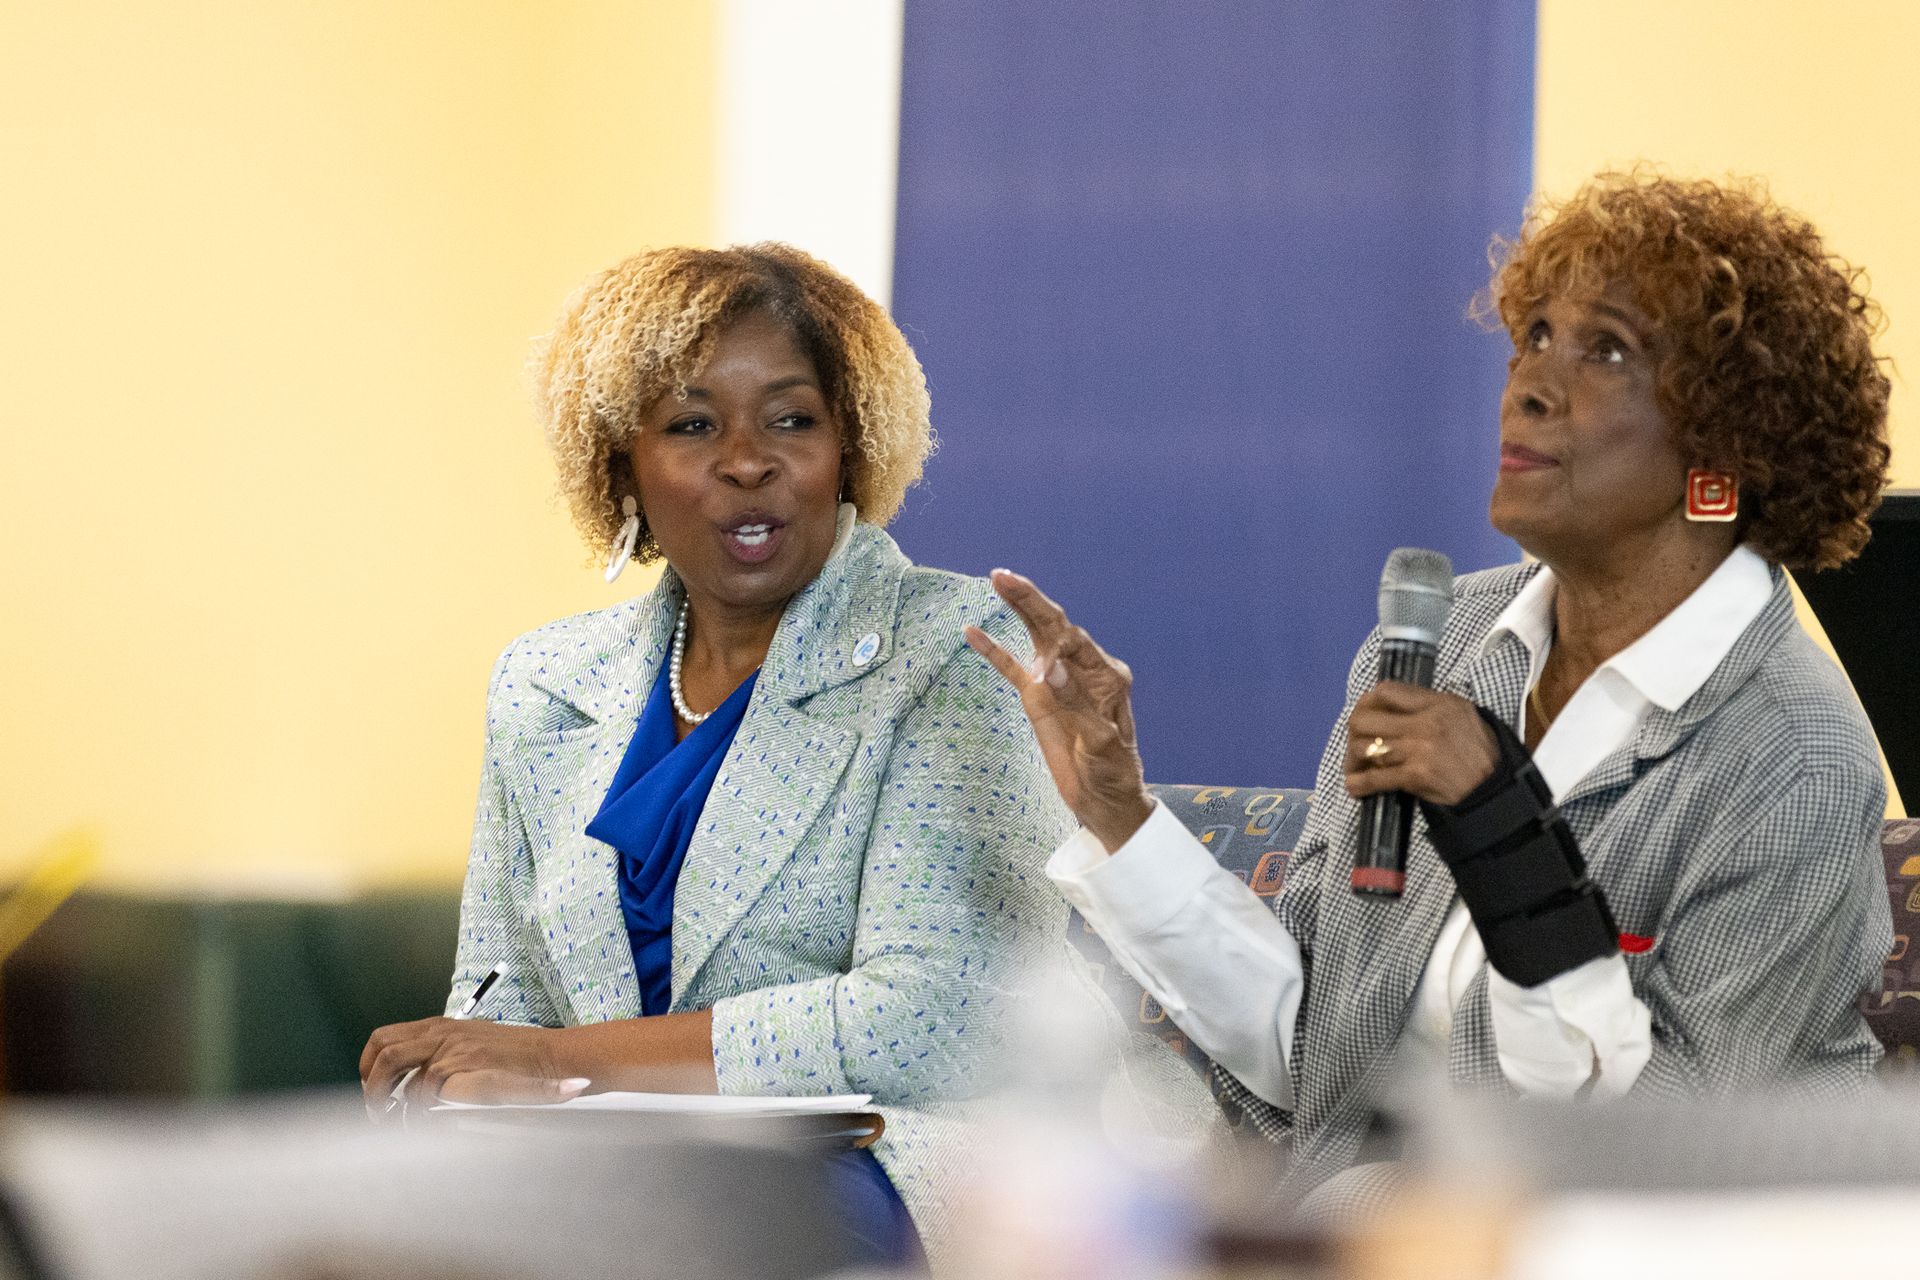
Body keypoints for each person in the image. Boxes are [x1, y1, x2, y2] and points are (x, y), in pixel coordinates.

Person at [966, 171, 1897, 1210]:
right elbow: (1315, 1054)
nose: (1529, 385)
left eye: (1605, 350)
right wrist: (1119, 812)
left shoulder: (1792, 753)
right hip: (1374, 1213)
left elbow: (1670, 1156)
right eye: (1533, 336)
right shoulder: (1440, 645)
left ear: (1729, 442)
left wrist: (1502, 829)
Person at [359, 243, 1072, 1263]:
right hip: (607, 1164)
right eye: (693, 425)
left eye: (792, 419)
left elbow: (935, 1020)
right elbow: (498, 999)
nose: (747, 461)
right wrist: (461, 1082)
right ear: (620, 465)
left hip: (892, 1160)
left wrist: (562, 1062)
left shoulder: (954, 649)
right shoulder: (545, 681)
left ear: (851, 446)